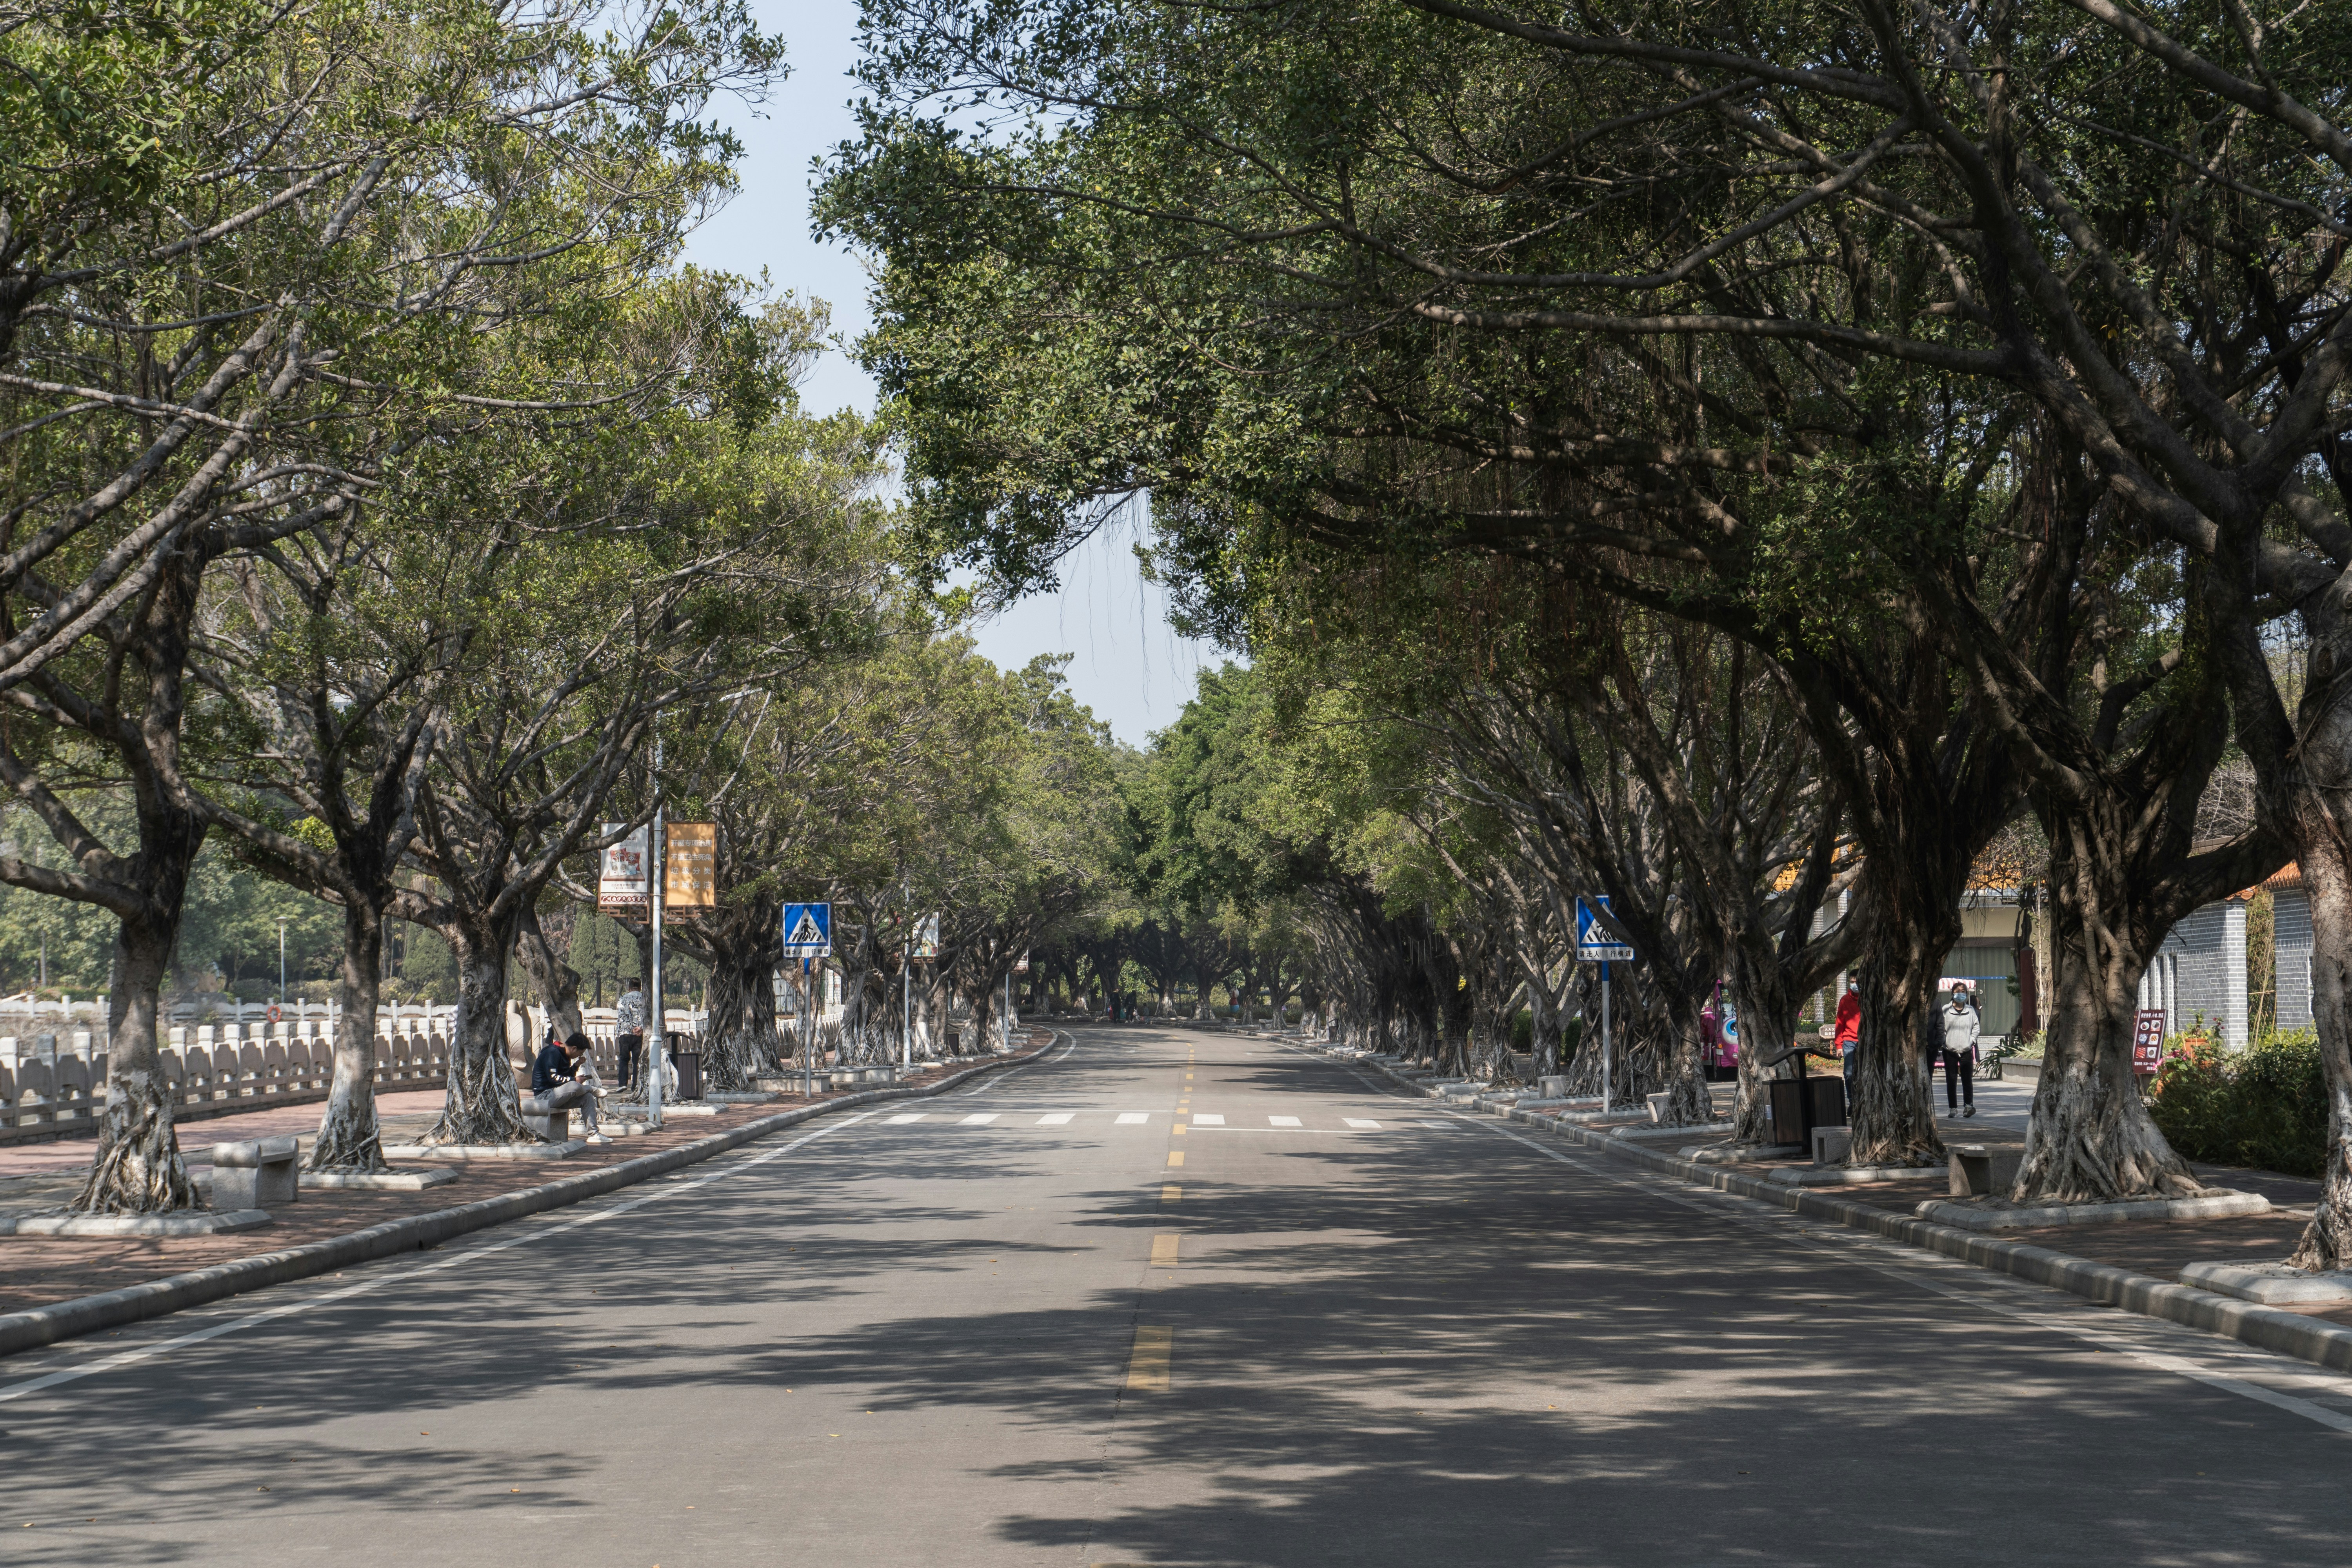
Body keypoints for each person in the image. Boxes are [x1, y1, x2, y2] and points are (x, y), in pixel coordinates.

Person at [530, 1027, 601, 1136]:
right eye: (580, 1053)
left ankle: (594, 1134)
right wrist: (574, 1080)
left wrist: (576, 1066)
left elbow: (565, 1078)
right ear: (574, 1048)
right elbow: (553, 1078)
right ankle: (589, 1088)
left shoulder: (565, 1055)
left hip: (557, 1096)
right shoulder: (552, 1053)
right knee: (575, 1086)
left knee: (587, 1098)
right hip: (544, 1097)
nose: (580, 1056)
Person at [1940, 983, 1981, 1118]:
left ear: (1966, 995)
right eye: (1958, 991)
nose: (1960, 994)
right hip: (1950, 1050)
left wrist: (1971, 1041)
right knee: (1951, 1080)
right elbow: (1941, 1028)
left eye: (1963, 992)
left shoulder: (1971, 1011)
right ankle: (1953, 1108)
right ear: (1952, 993)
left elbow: (1976, 1027)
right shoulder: (1946, 1010)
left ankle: (1968, 1106)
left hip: (1966, 1050)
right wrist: (1945, 1041)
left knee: (1967, 1079)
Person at [614, 978, 647, 1092]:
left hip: (625, 1034)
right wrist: (640, 1028)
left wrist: (631, 1028)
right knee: (637, 1061)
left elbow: (622, 1017)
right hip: (640, 1035)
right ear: (640, 987)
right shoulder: (645, 999)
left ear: (629, 987)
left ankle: (623, 1084)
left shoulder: (623, 999)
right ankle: (636, 1086)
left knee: (624, 1059)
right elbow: (648, 1016)